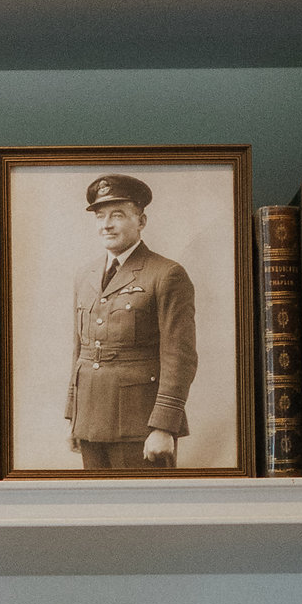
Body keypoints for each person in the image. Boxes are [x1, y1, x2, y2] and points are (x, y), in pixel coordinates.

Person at [66, 171, 196, 470]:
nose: (107, 225)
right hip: (89, 421)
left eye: (118, 215)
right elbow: (80, 352)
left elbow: (180, 356)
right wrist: (73, 416)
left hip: (141, 424)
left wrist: (164, 425)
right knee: (95, 513)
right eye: (100, 217)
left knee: (143, 512)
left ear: (141, 221)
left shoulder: (166, 274)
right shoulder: (85, 276)